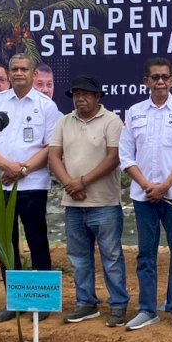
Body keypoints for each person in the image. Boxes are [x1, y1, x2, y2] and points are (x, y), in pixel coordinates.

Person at [0, 54, 62, 323]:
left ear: (33, 73)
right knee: (7, 243)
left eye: (23, 69)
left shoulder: (46, 106)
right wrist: (6, 166)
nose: (18, 73)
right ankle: (15, 301)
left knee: (38, 239)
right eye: (14, 69)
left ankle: (43, 300)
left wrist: (22, 170)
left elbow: (51, 147)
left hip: (32, 183)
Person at [119, 58, 172, 331]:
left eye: (165, 77)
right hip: (144, 196)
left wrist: (165, 186)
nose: (160, 82)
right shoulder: (134, 112)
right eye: (155, 77)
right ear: (146, 82)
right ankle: (147, 309)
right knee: (146, 255)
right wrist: (146, 185)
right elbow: (125, 155)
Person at [48, 76, 128, 327]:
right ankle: (86, 303)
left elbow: (114, 157)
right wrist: (69, 184)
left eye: (85, 94)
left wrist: (81, 182)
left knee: (111, 257)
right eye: (76, 95)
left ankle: (118, 305)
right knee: (78, 258)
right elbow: (53, 156)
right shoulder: (64, 121)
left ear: (97, 97)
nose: (80, 99)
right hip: (73, 204)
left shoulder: (112, 121)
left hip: (104, 203)